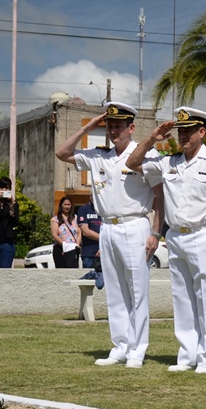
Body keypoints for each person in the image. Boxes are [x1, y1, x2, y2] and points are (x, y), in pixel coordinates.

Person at [55, 102, 164, 369]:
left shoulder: (146, 156)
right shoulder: (98, 155)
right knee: (114, 291)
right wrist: (90, 125)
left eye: (118, 126)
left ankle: (138, 349)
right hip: (108, 228)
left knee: (137, 290)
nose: (114, 131)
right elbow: (62, 152)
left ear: (131, 127)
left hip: (135, 225)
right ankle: (120, 345)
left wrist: (155, 232)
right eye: (110, 126)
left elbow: (160, 197)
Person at [127, 107, 206, 374]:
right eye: (180, 131)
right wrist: (153, 138)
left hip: (204, 233)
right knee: (182, 299)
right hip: (175, 236)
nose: (183, 136)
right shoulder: (168, 162)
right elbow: (132, 163)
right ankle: (187, 355)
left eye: (188, 131)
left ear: (202, 132)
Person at [51, 196, 81, 268]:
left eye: (68, 204)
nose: (67, 207)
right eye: (65, 204)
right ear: (61, 206)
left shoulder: (75, 218)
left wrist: (76, 245)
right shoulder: (55, 219)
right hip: (61, 249)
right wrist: (64, 245)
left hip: (73, 249)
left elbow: (79, 233)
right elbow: (54, 234)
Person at [77, 197, 102, 269]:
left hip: (104, 252)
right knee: (89, 277)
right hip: (89, 254)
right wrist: (103, 239)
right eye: (93, 195)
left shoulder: (104, 210)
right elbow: (85, 232)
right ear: (90, 197)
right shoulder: (84, 210)